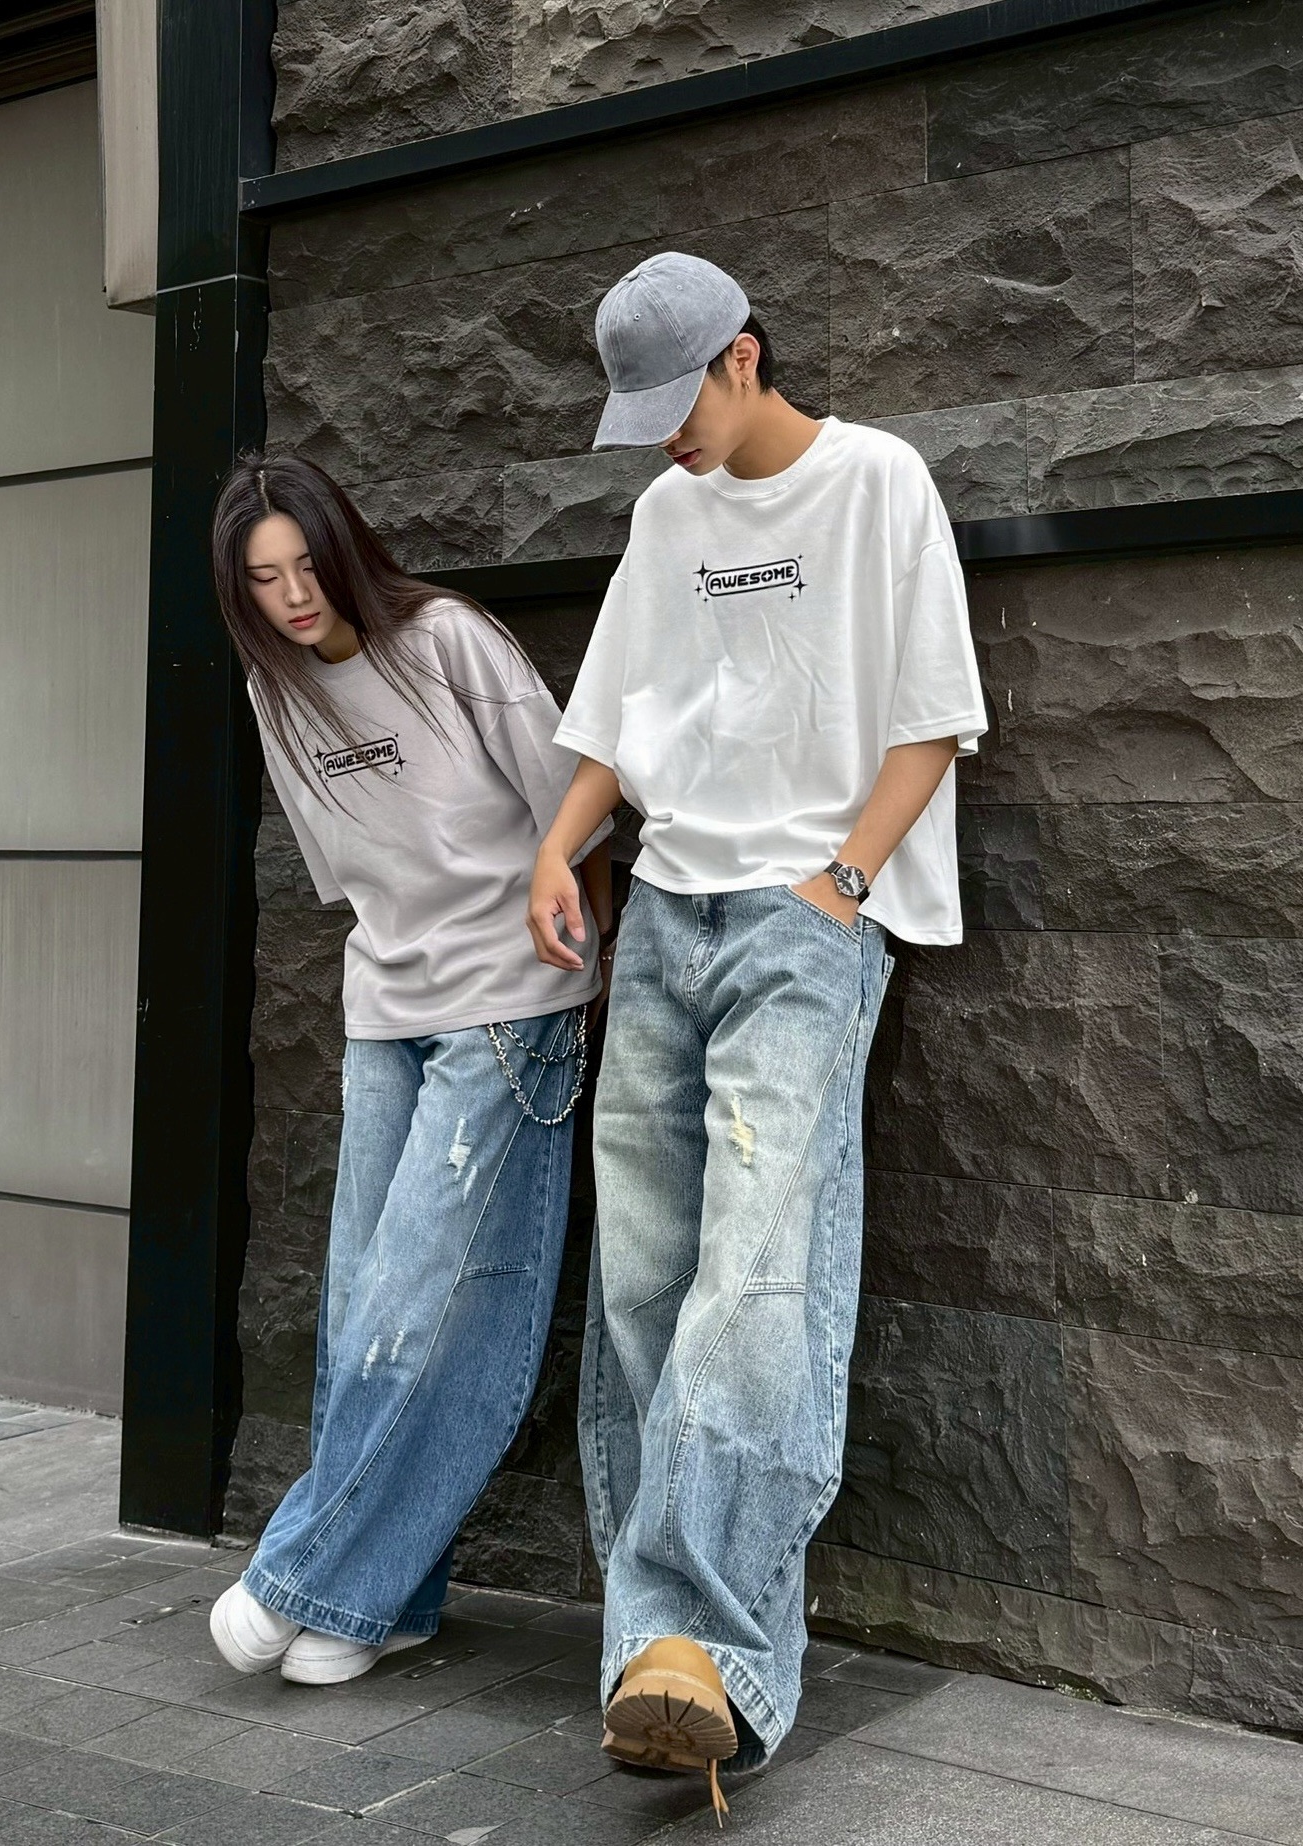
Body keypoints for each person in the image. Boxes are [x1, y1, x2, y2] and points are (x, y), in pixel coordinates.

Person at [527, 254, 987, 1816]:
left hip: (802, 918)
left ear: (744, 354)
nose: (666, 437)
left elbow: (933, 715)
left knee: (754, 1274)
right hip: (664, 910)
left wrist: (841, 884)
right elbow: (615, 714)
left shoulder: (876, 482)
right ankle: (664, 1656)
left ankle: (700, 1652)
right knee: (646, 1274)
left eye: (679, 401)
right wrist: (558, 850)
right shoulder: (669, 516)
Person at [207, 452, 612, 1686]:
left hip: (509, 1004)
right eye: (263, 578)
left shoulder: (447, 643)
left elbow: (580, 810)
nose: (292, 596)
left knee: (430, 1303)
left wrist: (581, 964)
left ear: (343, 546)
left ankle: (301, 1574)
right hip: (384, 1009)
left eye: (305, 565)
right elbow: (353, 878)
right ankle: (387, 1597)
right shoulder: (276, 688)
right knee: (361, 1308)